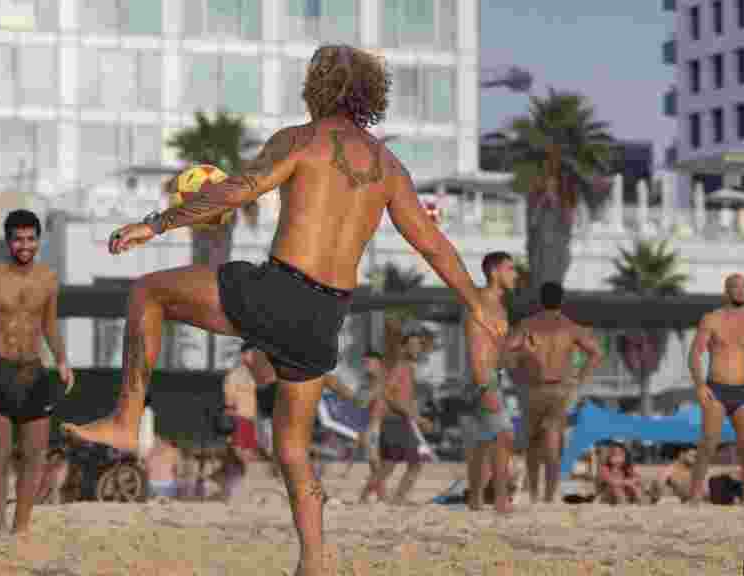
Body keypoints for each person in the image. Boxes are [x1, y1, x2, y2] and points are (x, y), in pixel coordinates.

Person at [61, 44, 486, 576]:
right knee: (292, 446)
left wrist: (158, 222)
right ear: (367, 94)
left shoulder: (301, 140)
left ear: (320, 87)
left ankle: (126, 420)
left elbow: (237, 192)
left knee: (148, 291)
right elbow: (431, 243)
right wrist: (476, 301)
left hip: (277, 291)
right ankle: (315, 560)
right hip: (326, 316)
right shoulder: (390, 168)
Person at [0, 210, 73, 535]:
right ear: (8, 241)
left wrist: (62, 359)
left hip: (33, 370)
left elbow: (49, 324)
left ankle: (21, 527)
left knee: (36, 453)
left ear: (38, 240)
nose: (25, 245)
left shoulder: (48, 278)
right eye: (18, 239)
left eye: (31, 238)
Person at [512, 282, 602, 504]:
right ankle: (549, 497)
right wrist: (579, 381)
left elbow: (508, 349)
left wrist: (517, 372)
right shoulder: (571, 327)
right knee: (553, 444)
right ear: (562, 301)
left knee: (533, 443)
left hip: (533, 388)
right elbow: (596, 353)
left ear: (540, 300)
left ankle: (533, 493)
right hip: (561, 389)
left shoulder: (527, 325)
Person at [686, 273, 744, 505]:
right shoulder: (712, 319)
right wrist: (700, 385)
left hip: (742, 391)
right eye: (736, 287)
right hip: (716, 389)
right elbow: (694, 354)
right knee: (708, 444)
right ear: (726, 291)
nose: (741, 290)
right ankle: (694, 496)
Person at [460, 251, 532, 514]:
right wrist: (485, 384)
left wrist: (516, 347)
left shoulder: (501, 308)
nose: (516, 275)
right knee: (503, 436)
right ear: (494, 272)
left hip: (492, 377)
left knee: (481, 442)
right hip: (481, 379)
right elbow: (475, 347)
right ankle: (500, 500)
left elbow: (499, 352)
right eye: (510, 269)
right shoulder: (479, 303)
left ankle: (477, 499)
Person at [368, 325, 434, 504]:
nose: (417, 349)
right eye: (413, 345)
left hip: (398, 420)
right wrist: (417, 418)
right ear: (404, 347)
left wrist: (415, 415)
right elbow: (388, 394)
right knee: (407, 464)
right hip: (394, 421)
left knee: (392, 465)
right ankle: (395, 498)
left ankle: (375, 497)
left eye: (419, 345)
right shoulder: (402, 367)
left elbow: (400, 396)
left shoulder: (407, 368)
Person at [220, 344, 263, 500]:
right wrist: (231, 420)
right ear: (244, 355)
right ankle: (234, 488)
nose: (253, 358)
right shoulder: (235, 375)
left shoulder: (252, 374)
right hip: (238, 417)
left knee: (246, 454)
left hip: (249, 418)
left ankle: (240, 487)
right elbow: (229, 399)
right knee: (239, 453)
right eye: (252, 354)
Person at [358, 350, 389, 503]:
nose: (366, 366)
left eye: (369, 363)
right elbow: (362, 405)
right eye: (364, 363)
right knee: (375, 465)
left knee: (377, 465)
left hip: (379, 425)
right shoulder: (369, 381)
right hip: (372, 425)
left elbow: (364, 402)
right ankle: (383, 497)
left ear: (379, 364)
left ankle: (364, 497)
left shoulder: (381, 381)